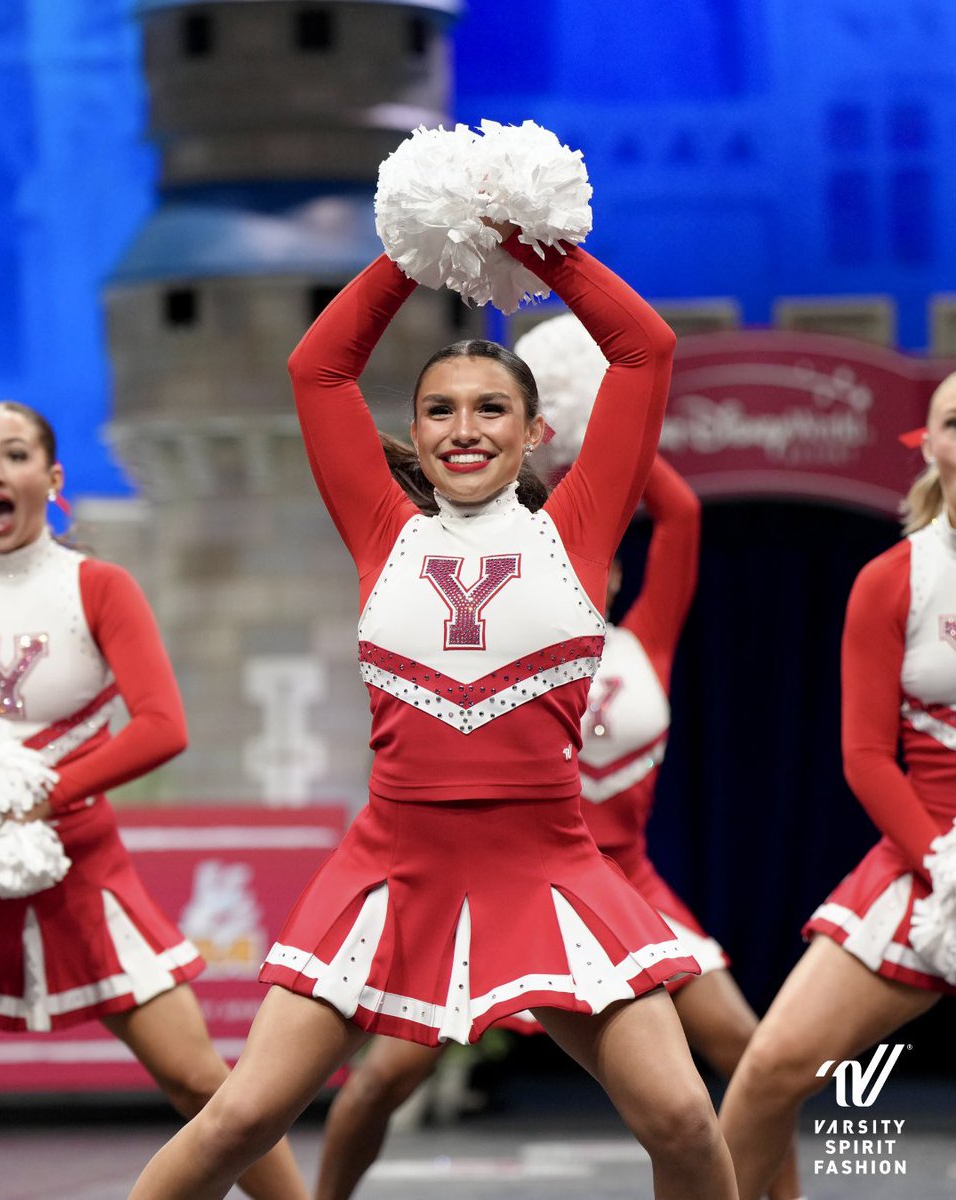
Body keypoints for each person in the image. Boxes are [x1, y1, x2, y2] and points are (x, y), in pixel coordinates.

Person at [128, 220, 740, 1199]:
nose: (465, 429)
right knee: (241, 1117)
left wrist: (533, 248)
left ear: (535, 432)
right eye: (441, 410)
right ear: (413, 434)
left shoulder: (579, 532)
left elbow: (644, 349)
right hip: (391, 870)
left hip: (547, 867)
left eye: (492, 408)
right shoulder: (382, 531)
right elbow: (318, 368)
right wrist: (422, 244)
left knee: (682, 1120)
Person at [311, 454, 800, 1200]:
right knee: (385, 1078)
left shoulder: (647, 644)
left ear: (612, 570)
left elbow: (682, 515)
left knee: (749, 1052)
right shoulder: (497, 638)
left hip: (620, 883)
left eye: (590, 555)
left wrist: (579, 433)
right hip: (505, 874)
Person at [0, 401, 309, 1200]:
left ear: (52, 478)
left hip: (82, 871)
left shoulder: (95, 586)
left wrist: (42, 795)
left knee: (201, 1082)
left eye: (14, 454)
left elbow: (163, 726)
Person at [718, 373, 956, 1199]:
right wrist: (945, 865)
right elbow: (865, 756)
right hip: (922, 863)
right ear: (929, 446)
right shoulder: (894, 579)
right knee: (768, 1074)